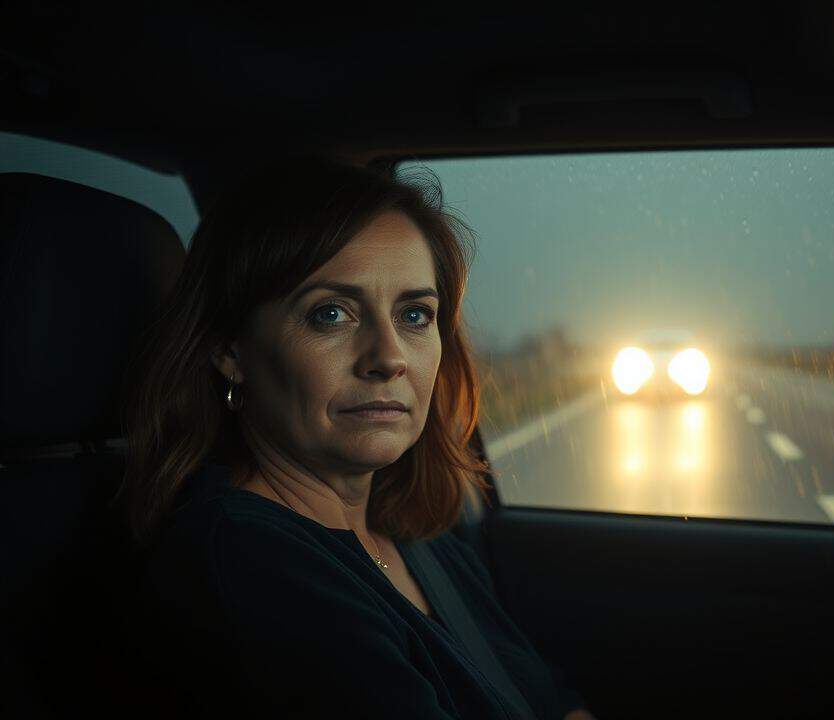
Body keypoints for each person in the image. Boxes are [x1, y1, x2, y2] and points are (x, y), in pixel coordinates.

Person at [122, 156, 595, 719]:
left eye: (415, 315)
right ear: (231, 350)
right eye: (330, 314)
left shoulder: (414, 532)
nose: (389, 357)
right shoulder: (249, 561)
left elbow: (544, 700)